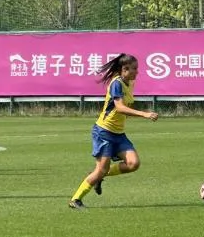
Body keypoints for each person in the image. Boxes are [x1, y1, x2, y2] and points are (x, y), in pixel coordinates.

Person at [68, 53, 159, 209]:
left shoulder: (130, 82)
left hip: (118, 133)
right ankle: (75, 200)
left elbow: (124, 107)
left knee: (133, 163)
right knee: (101, 169)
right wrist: (144, 114)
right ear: (124, 69)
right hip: (104, 132)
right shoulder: (116, 83)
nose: (137, 72)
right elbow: (120, 107)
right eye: (134, 69)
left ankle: (96, 175)